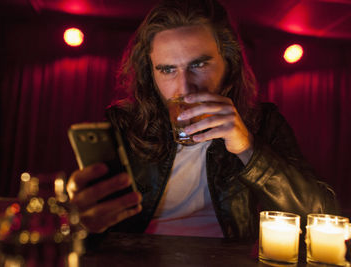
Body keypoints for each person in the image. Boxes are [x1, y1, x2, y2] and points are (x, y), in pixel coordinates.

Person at [67, 0, 338, 241]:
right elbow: (90, 224)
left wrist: (248, 149)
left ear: (229, 64)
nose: (184, 87)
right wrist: (78, 214)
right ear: (151, 74)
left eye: (198, 65)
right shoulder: (124, 125)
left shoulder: (263, 122)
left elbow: (320, 216)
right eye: (168, 69)